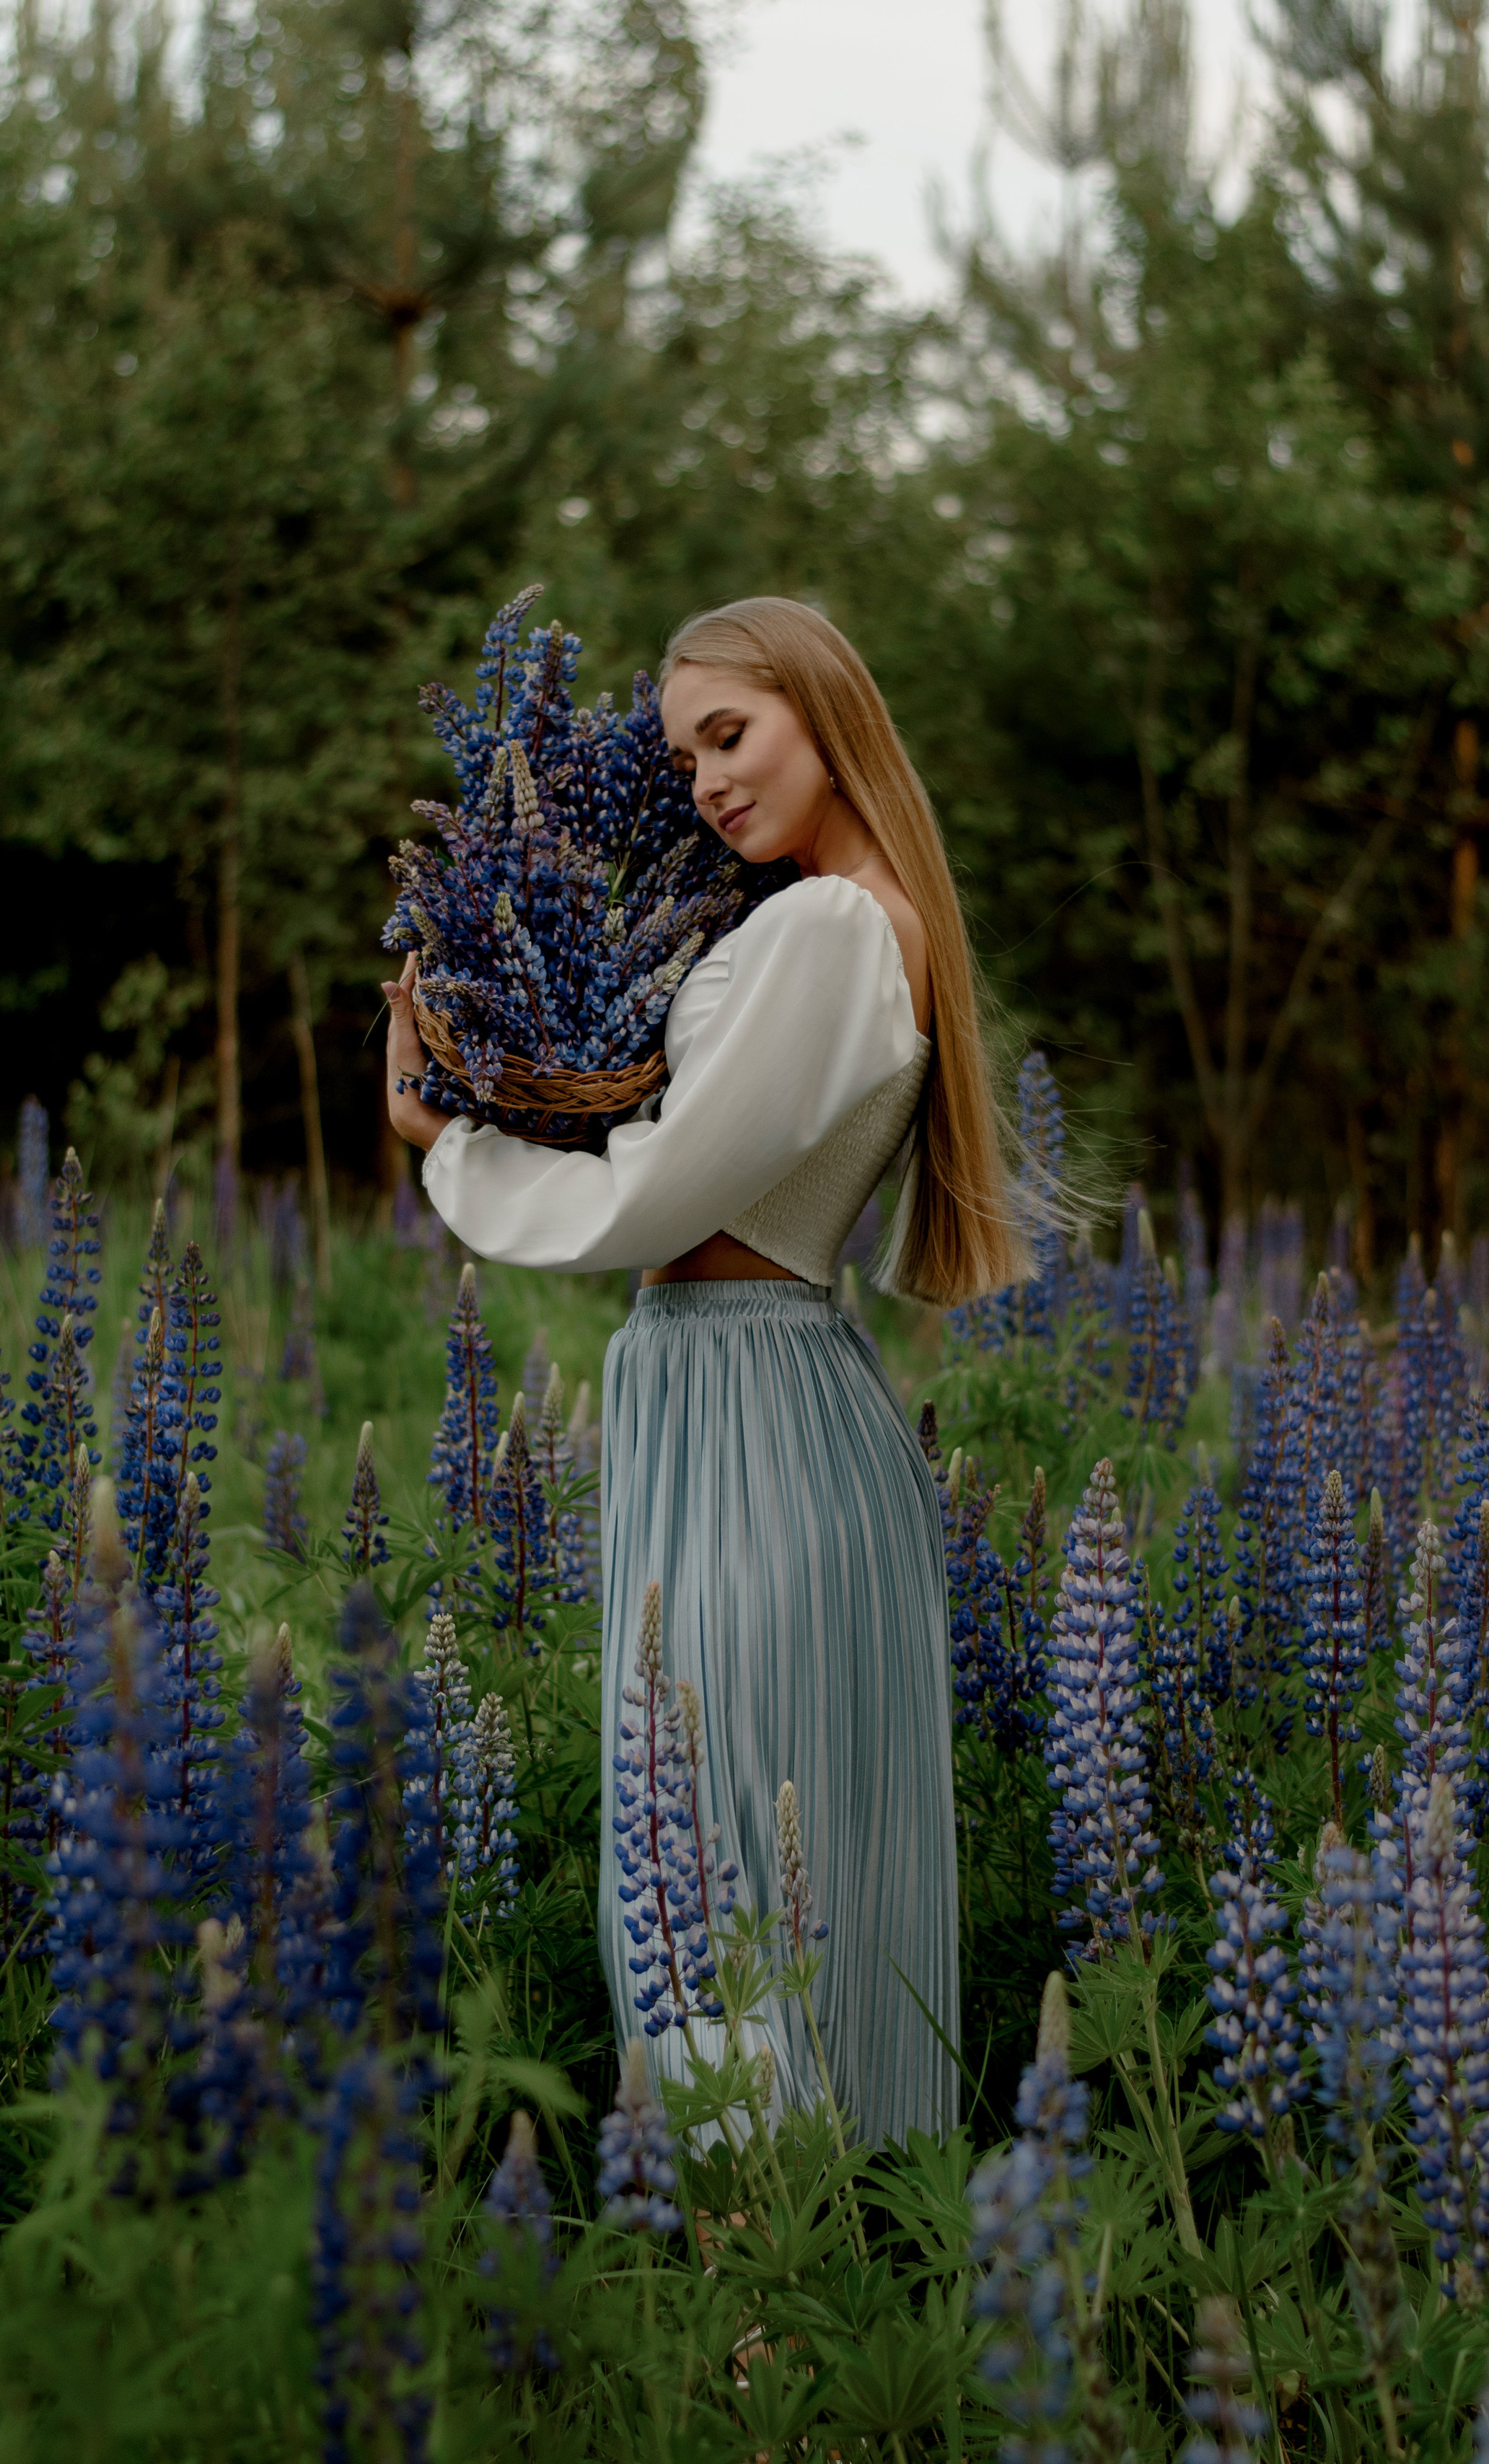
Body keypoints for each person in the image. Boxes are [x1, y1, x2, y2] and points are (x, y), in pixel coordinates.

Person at [382, 596, 1029, 2146]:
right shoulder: (844, 921)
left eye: (729, 736)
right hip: (752, 1394)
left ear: (826, 712)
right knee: (777, 1859)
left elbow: (661, 1194)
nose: (704, 785)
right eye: (678, 760)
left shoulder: (825, 930)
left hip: (748, 1410)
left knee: (708, 1866)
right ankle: (821, 2282)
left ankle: (758, 2323)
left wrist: (448, 1143)